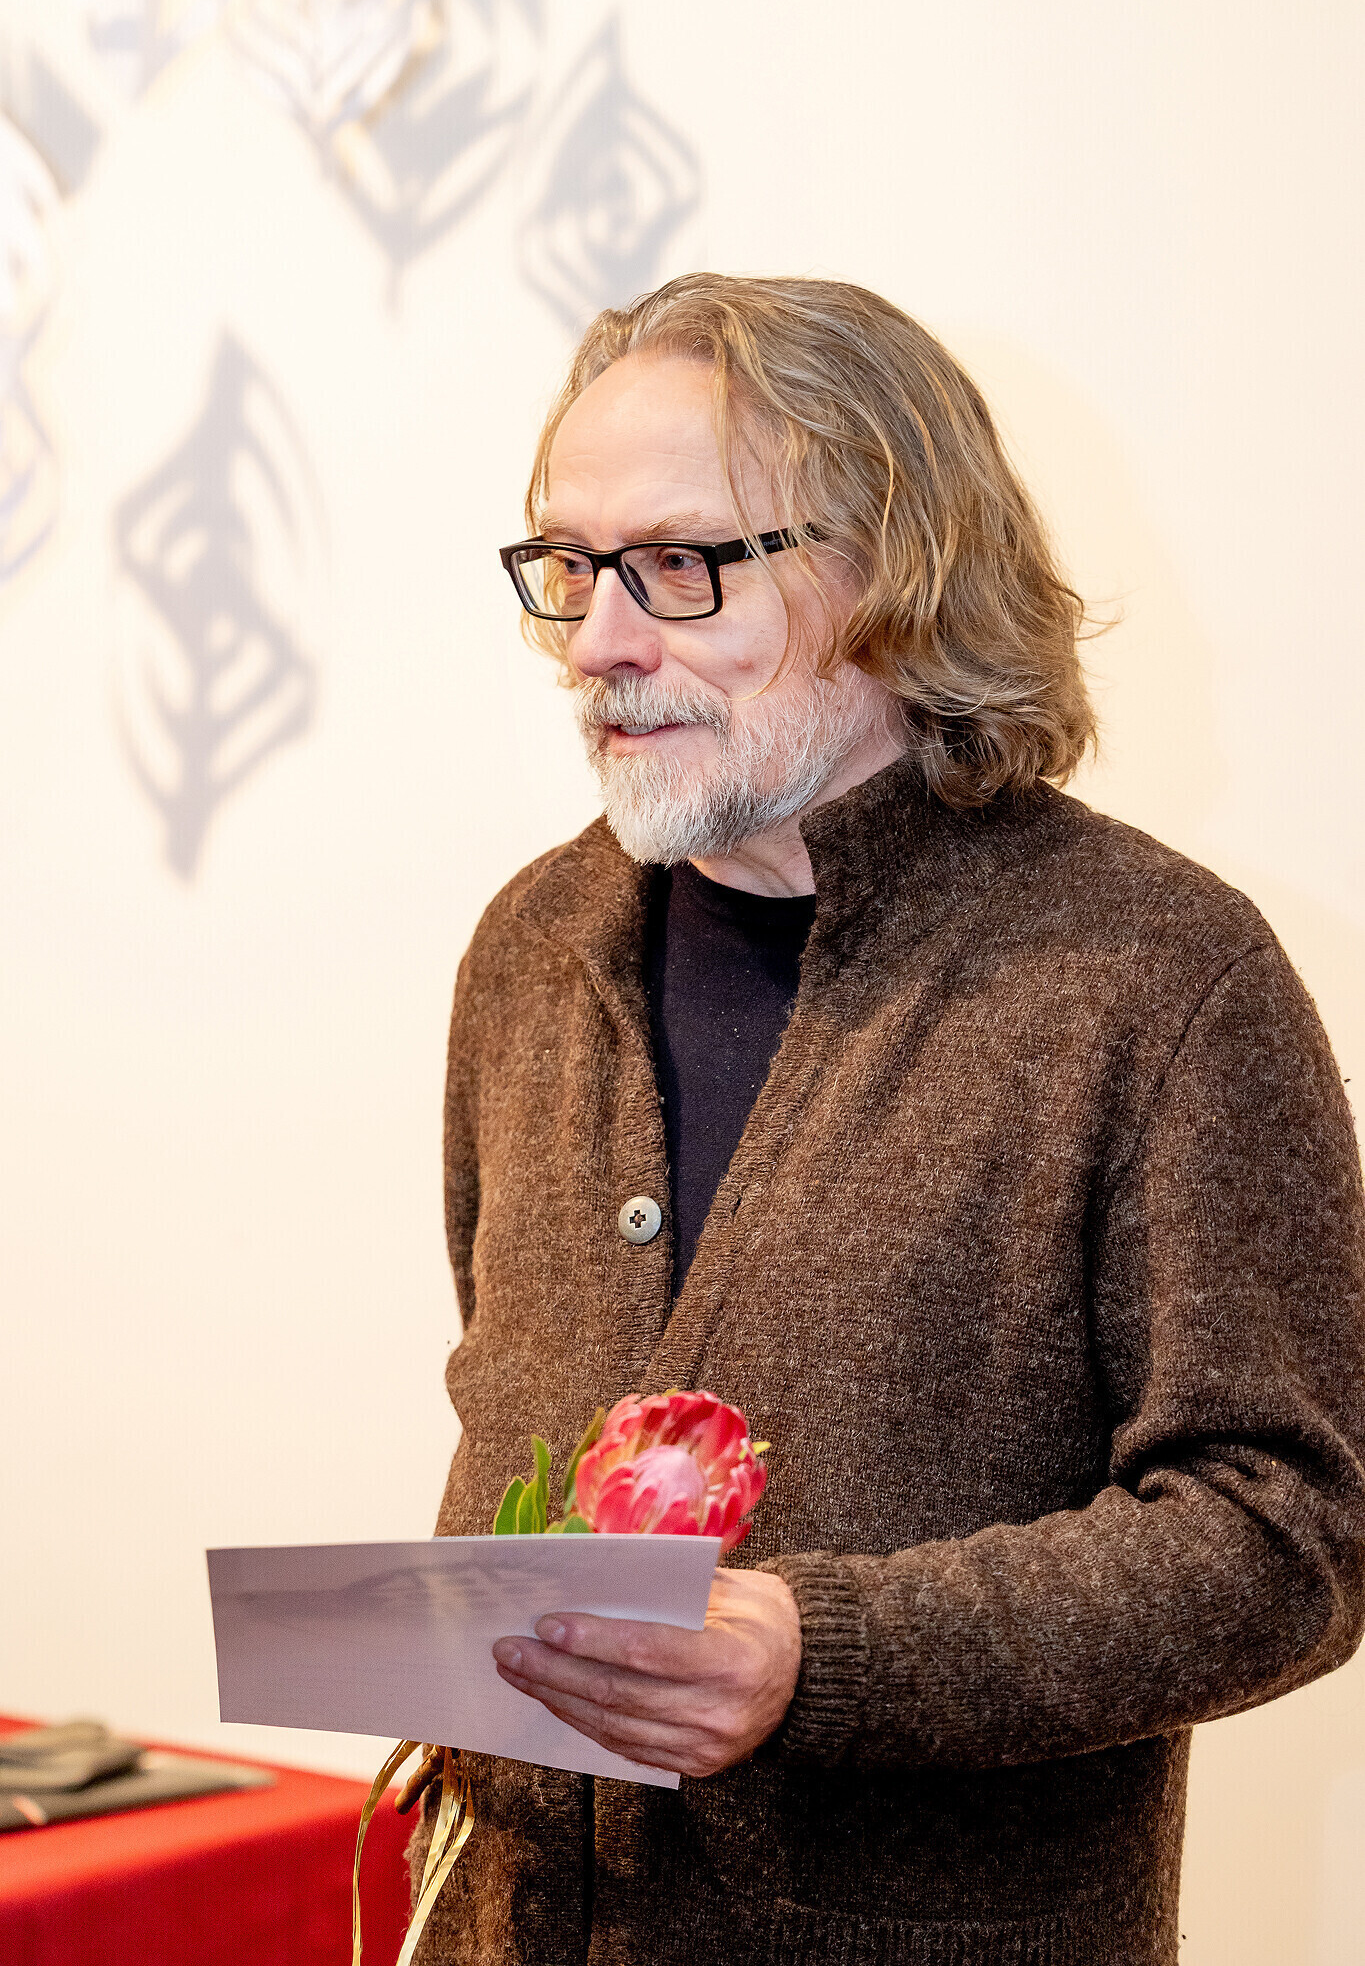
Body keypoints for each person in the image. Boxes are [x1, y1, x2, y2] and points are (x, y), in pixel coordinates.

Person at [409, 275, 1365, 1966]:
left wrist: (819, 1655)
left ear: (898, 573)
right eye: (569, 565)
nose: (597, 641)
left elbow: (1286, 1533)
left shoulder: (1159, 974)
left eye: (677, 566)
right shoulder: (534, 943)